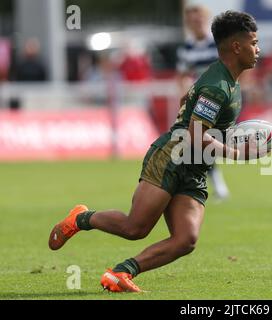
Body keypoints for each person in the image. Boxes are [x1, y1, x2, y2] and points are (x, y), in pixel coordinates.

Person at [48, 10, 260, 293]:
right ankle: (81, 218)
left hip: (194, 167)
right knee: (135, 229)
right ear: (236, 46)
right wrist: (236, 152)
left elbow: (189, 100)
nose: (258, 50)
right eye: (254, 43)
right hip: (172, 157)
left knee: (186, 239)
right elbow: (195, 134)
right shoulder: (218, 85)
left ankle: (121, 273)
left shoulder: (225, 80)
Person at [177, 3, 230, 201]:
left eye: (198, 18)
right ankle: (214, 185)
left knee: (204, 141)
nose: (195, 22)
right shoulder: (186, 48)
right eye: (191, 20)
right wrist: (185, 93)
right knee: (201, 141)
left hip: (219, 98)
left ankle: (210, 183)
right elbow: (182, 75)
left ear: (205, 20)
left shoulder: (216, 43)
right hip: (200, 101)